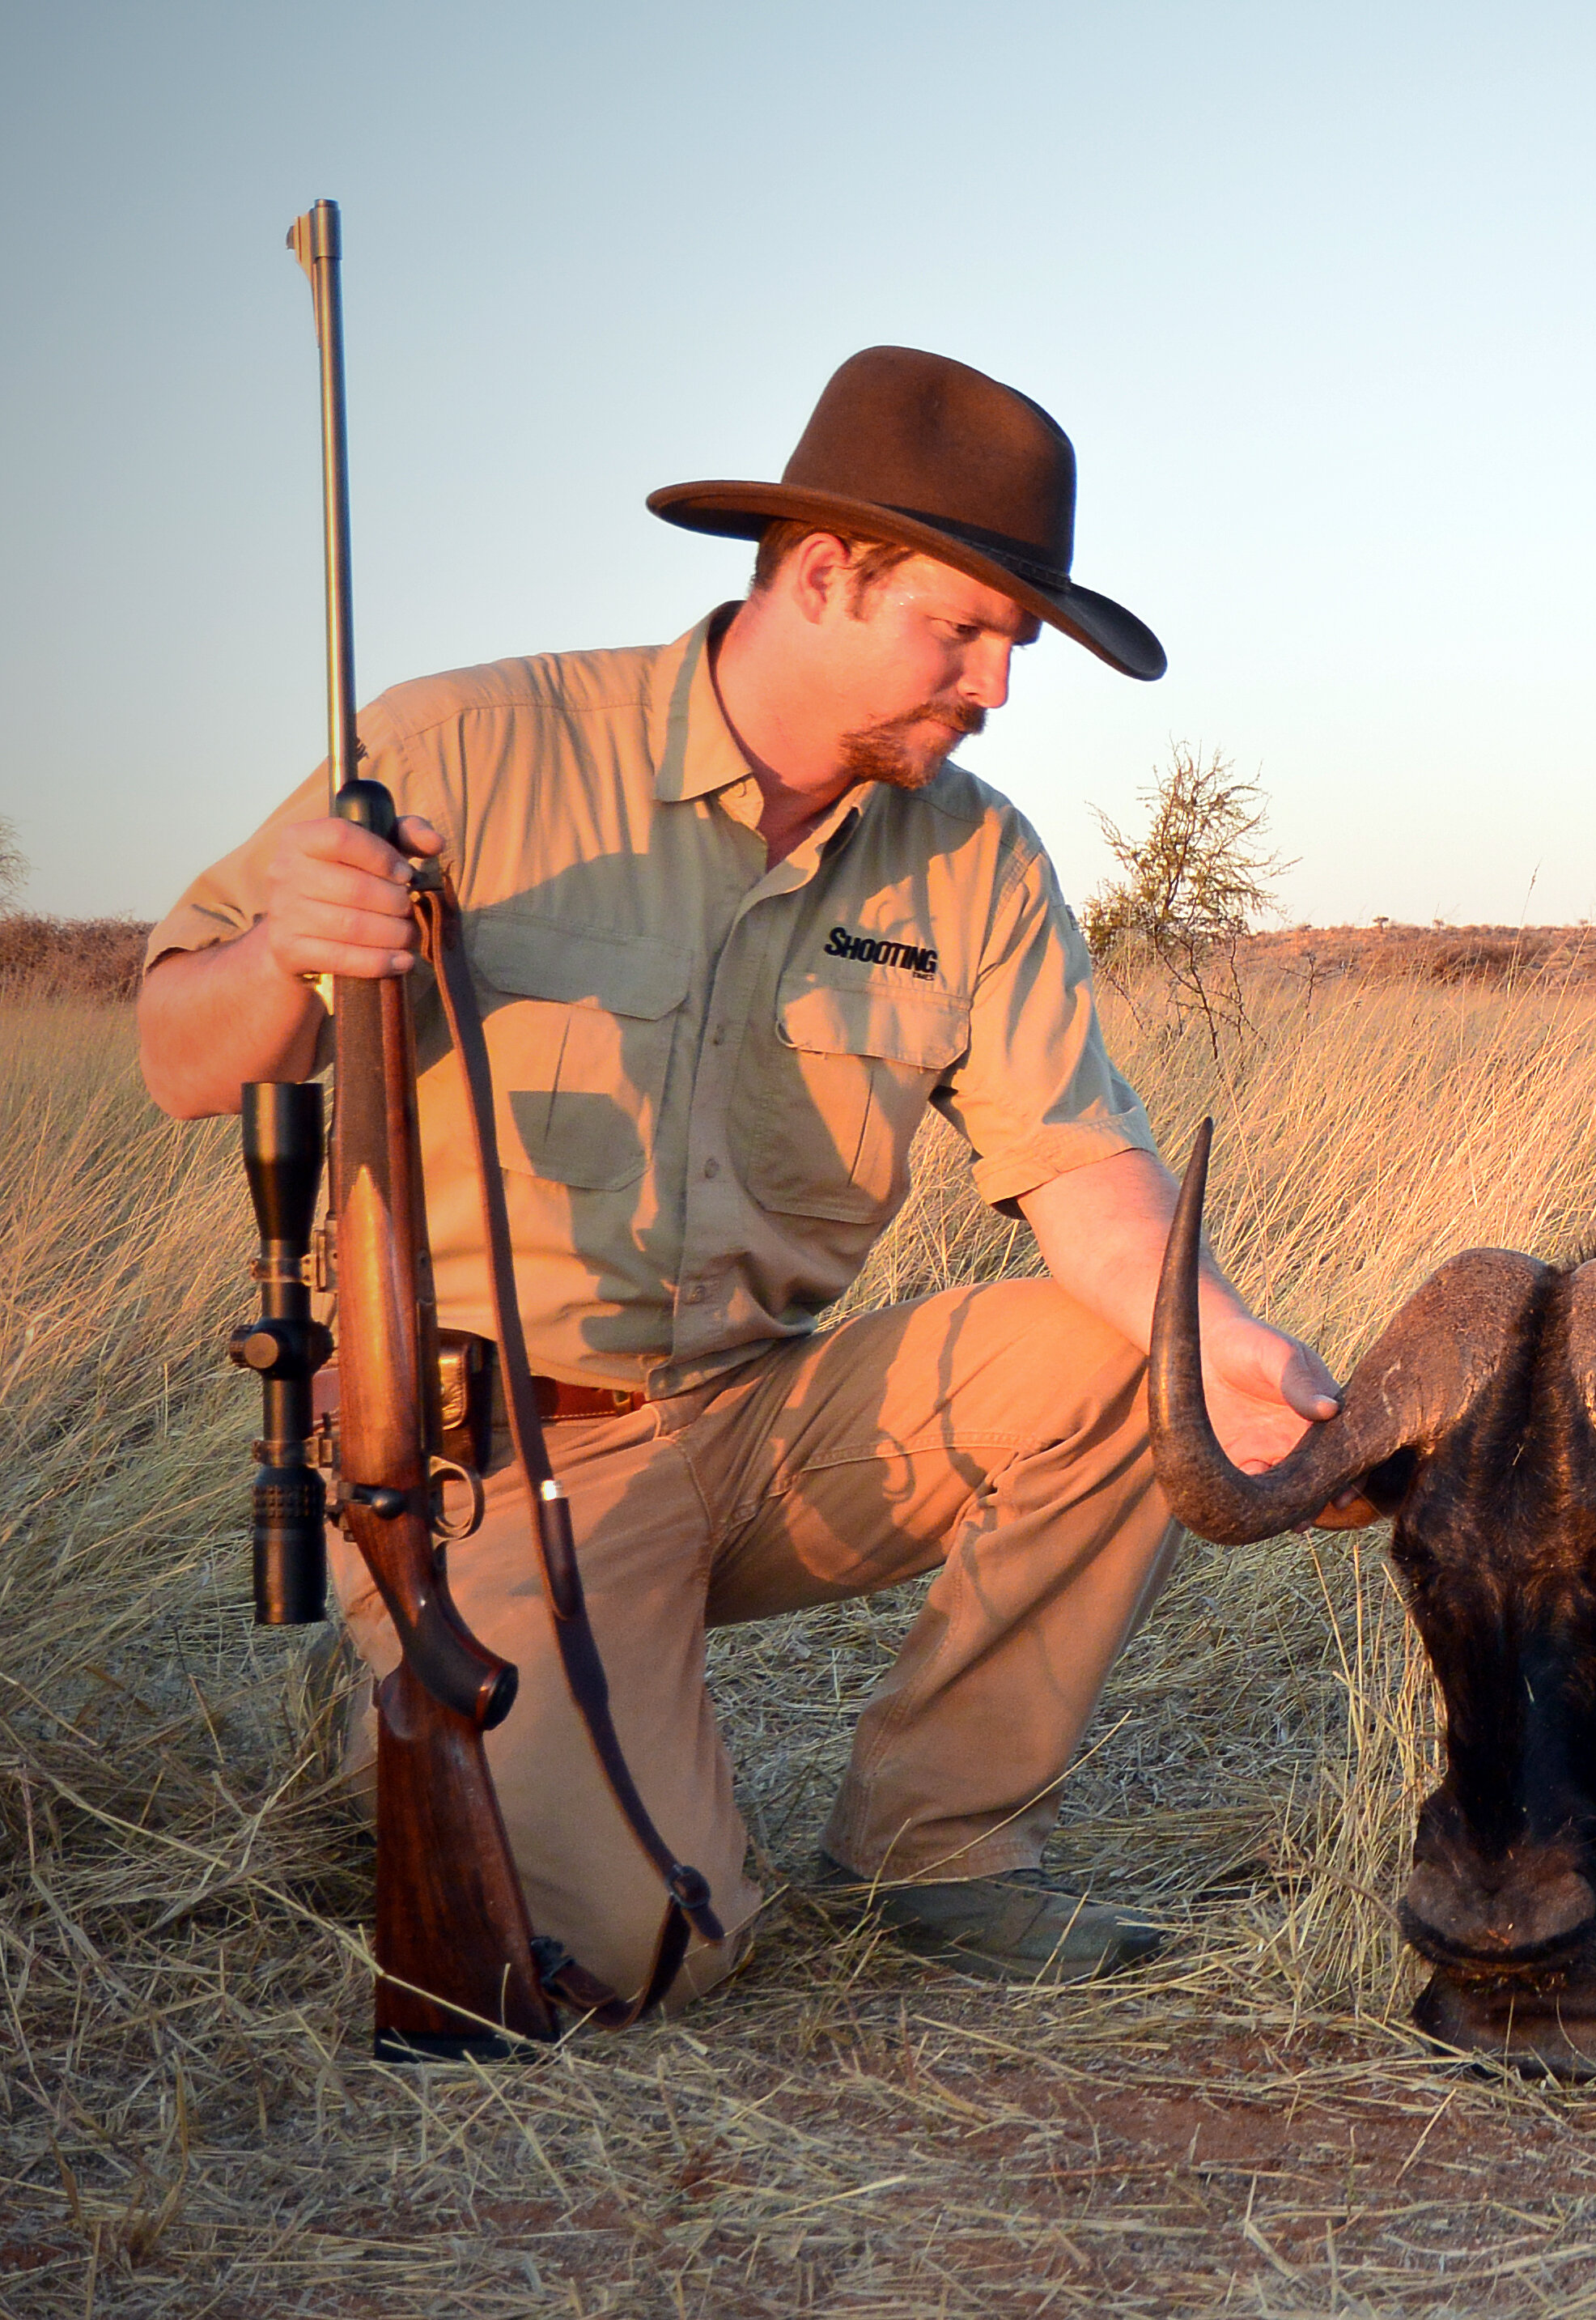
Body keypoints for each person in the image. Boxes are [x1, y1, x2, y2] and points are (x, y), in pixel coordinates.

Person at [139, 346, 1338, 2003]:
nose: (995, 688)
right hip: (491, 1459)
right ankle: (435, 1710)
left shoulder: (974, 854)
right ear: (826, 575)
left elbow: (1086, 1180)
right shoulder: (465, 743)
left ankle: (940, 1852)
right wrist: (291, 951)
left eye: (1014, 645)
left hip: (759, 1419)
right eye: (967, 629)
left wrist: (1243, 1359)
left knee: (1137, 1363)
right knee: (649, 1949)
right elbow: (181, 1054)